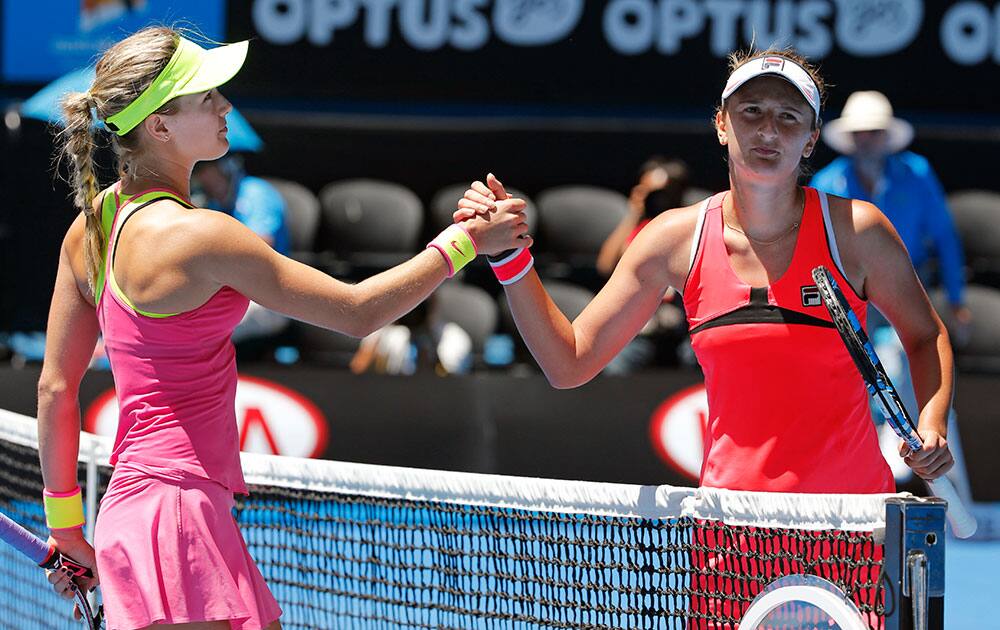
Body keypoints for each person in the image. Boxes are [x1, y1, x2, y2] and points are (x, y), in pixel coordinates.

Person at [38, 27, 528, 630]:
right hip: (177, 518)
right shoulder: (203, 235)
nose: (226, 107)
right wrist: (465, 244)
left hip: (137, 512)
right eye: (207, 97)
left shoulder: (91, 226)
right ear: (160, 126)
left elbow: (56, 388)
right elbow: (357, 312)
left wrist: (65, 526)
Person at [458, 50, 955, 496]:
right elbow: (569, 364)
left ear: (810, 140)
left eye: (788, 117)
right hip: (729, 535)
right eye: (751, 111)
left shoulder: (857, 231)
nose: (767, 131)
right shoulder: (673, 239)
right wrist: (511, 260)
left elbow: (923, 333)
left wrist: (931, 423)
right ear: (721, 124)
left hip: (849, 525)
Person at [810, 90, 971, 337]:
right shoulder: (825, 184)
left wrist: (956, 300)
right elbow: (811, 253)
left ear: (887, 136)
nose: (865, 140)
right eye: (857, 133)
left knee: (903, 362)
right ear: (849, 139)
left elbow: (944, 237)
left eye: (873, 132)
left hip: (910, 287)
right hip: (848, 295)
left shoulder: (917, 174)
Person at [193, 155, 292, 344]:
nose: (199, 178)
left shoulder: (256, 193)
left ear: (225, 165)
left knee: (204, 329)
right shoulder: (212, 204)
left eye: (204, 169)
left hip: (269, 297)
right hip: (226, 289)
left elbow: (257, 251)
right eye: (196, 171)